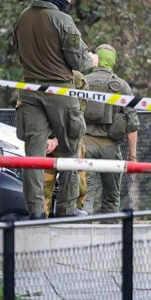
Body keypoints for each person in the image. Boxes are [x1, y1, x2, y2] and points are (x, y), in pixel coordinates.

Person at [13, 0, 97, 219]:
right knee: (71, 148)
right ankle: (67, 208)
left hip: (29, 90)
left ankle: (36, 211)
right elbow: (79, 60)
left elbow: (20, 54)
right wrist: (91, 59)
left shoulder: (23, 17)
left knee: (33, 154)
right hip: (60, 90)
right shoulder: (62, 20)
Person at [83, 44, 138, 215]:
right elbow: (132, 123)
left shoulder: (83, 81)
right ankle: (111, 233)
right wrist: (132, 156)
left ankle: (83, 234)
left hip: (84, 145)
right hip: (110, 148)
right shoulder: (121, 86)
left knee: (85, 195)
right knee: (111, 197)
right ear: (112, 61)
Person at [43, 71, 89, 216]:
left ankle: (69, 212)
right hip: (46, 140)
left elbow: (76, 116)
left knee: (75, 182)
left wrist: (56, 140)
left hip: (68, 139)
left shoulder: (77, 80)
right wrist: (43, 139)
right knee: (43, 184)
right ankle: (40, 214)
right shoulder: (39, 76)